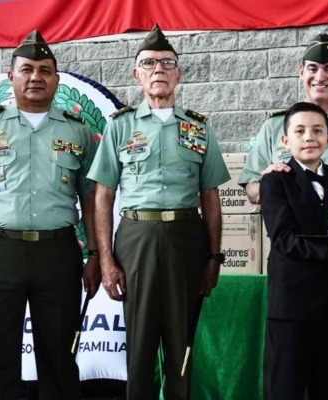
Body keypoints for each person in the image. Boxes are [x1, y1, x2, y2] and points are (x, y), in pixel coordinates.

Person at [0, 30, 99, 399]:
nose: (36, 77)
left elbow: (92, 199)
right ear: (12, 77)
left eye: (45, 70)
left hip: (58, 252)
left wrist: (95, 255)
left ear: (56, 80)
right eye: (27, 69)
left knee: (60, 354)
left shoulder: (78, 132)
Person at [87, 24, 229, 400]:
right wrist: (105, 259)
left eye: (167, 63)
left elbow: (210, 195)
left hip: (187, 237)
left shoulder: (199, 127)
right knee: (139, 341)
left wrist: (214, 256)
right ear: (137, 75)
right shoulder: (120, 126)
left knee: (182, 340)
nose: (158, 70)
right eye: (148, 63)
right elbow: (103, 196)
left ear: (179, 73)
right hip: (137, 238)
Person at [259, 102, 328, 400]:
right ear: (285, 141)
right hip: (293, 303)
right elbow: (284, 239)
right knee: (286, 387)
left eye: (317, 130)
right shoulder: (274, 180)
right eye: (300, 131)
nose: (309, 136)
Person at [240, 33, 328, 204]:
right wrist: (271, 183)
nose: (320, 76)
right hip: (290, 229)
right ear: (301, 72)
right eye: (313, 68)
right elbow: (252, 191)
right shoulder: (274, 126)